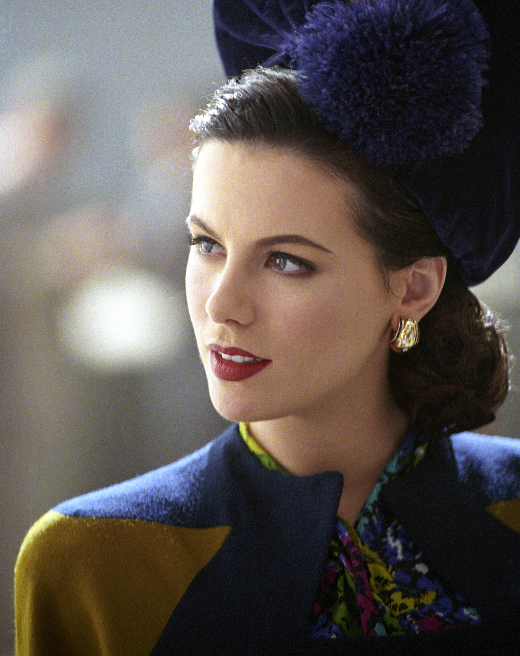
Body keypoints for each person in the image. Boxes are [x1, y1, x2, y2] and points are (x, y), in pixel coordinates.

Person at [14, 0, 520, 654]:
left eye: (285, 261)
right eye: (206, 245)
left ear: (414, 288)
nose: (223, 305)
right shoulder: (90, 559)